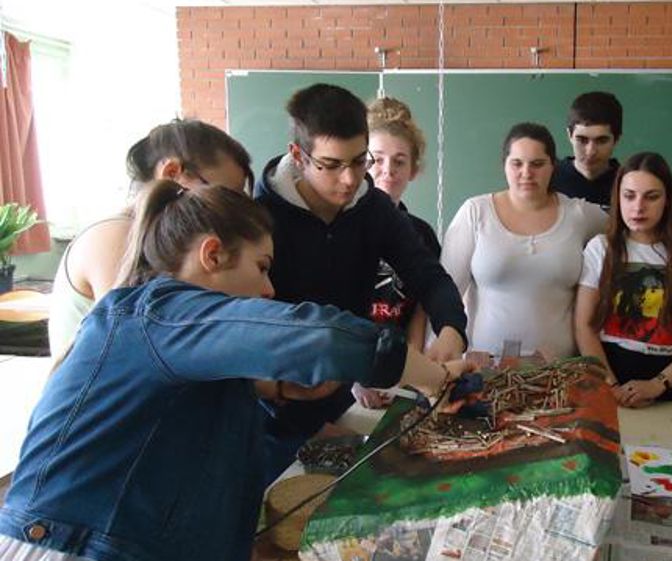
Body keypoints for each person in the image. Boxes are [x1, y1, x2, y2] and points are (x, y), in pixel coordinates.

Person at [0, 181, 467, 561]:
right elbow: (326, 338)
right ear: (212, 255)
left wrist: (278, 388)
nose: (268, 290)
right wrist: (434, 378)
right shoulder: (158, 313)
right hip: (73, 547)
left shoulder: (168, 331)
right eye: (261, 268)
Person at [253, 84, 467, 465]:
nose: (351, 179)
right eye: (332, 164)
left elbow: (427, 274)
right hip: (274, 415)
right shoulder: (261, 217)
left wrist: (451, 326)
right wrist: (304, 425)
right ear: (298, 155)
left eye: (358, 161)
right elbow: (253, 335)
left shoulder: (373, 207)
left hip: (340, 401)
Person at [47, 119, 254, 358]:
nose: (231, 212)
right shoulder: (114, 235)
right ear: (172, 173)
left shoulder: (160, 238)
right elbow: (135, 343)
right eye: (224, 195)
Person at [441, 122, 607, 359]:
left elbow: (627, 230)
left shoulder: (579, 215)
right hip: (484, 369)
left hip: (559, 371)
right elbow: (446, 291)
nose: (527, 173)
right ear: (504, 165)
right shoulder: (476, 212)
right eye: (517, 163)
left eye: (537, 164)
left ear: (553, 166)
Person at [575, 152, 672, 408]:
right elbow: (584, 326)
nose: (638, 207)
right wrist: (611, 386)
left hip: (667, 385)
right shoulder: (600, 248)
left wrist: (658, 384)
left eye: (651, 196)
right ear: (617, 198)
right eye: (629, 195)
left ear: (667, 200)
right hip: (607, 379)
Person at [353, 97, 441, 409]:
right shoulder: (342, 227)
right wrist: (353, 378)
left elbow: (420, 309)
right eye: (377, 160)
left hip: (398, 372)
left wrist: (406, 369)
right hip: (344, 373)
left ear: (413, 170)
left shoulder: (421, 234)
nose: (388, 170)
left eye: (399, 161)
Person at [551, 91, 623, 209]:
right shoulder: (547, 180)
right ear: (569, 135)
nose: (590, 151)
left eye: (601, 141)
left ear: (616, 139)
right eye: (582, 140)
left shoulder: (628, 185)